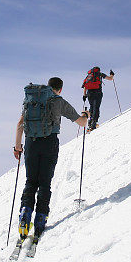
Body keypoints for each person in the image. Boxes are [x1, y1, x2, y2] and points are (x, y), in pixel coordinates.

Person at [13, 77, 88, 241]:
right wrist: (86, 115)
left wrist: (18, 146)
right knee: (45, 182)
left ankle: (25, 215)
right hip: (49, 143)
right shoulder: (58, 101)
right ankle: (40, 220)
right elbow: (81, 123)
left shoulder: (32, 100)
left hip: (31, 142)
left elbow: (20, 124)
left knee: (30, 181)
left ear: (48, 86)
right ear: (60, 89)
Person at [81, 67, 114, 131]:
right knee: (96, 107)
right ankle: (94, 123)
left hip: (89, 93)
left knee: (91, 106)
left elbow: (85, 86)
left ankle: (90, 122)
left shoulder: (89, 76)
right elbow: (110, 79)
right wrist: (112, 74)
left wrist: (84, 95)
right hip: (97, 92)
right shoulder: (100, 74)